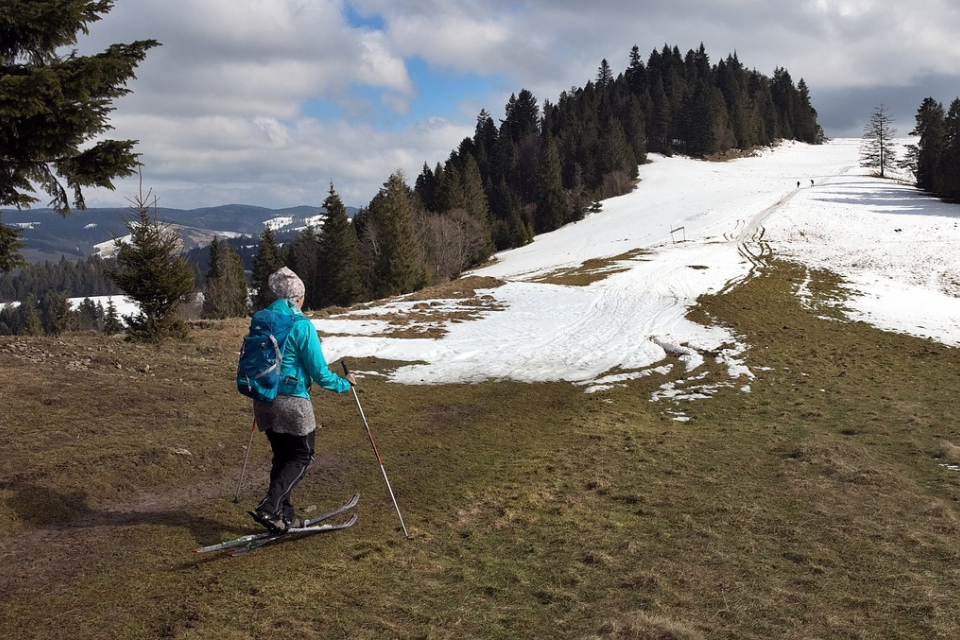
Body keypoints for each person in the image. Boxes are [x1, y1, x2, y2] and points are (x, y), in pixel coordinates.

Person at [249, 266, 356, 534]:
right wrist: (345, 384)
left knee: (282, 457)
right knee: (301, 456)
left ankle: (284, 515)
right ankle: (269, 508)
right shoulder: (301, 326)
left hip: (263, 398)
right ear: (297, 297)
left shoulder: (261, 320)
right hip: (293, 402)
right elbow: (319, 372)